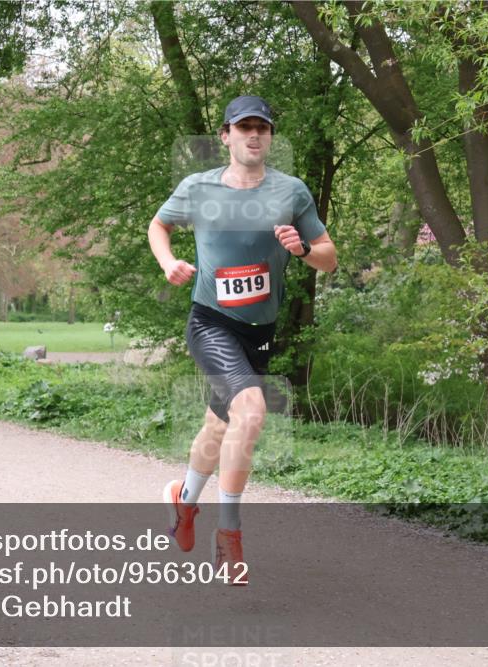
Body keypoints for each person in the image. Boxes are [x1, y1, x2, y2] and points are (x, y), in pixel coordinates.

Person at [147, 95, 338, 585]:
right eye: (244, 127)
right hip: (210, 322)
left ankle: (184, 504)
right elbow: (159, 225)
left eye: (263, 128)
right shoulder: (198, 187)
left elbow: (329, 257)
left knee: (218, 428)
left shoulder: (291, 191)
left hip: (261, 332)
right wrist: (169, 263)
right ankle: (228, 535)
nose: (254, 135)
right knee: (251, 411)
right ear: (226, 136)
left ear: (270, 137)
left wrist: (303, 249)